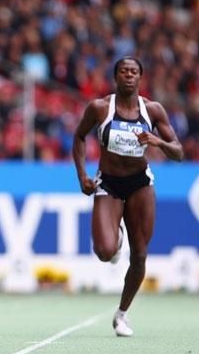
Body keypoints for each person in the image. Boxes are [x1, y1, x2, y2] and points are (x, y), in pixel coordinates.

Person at [73, 56, 183, 337]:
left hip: (139, 184)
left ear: (140, 77)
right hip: (108, 182)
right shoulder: (100, 108)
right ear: (116, 77)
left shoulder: (152, 111)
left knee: (141, 253)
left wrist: (156, 141)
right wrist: (82, 175)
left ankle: (122, 314)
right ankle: (116, 235)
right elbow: (79, 137)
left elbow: (178, 152)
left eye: (134, 72)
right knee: (105, 251)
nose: (129, 76)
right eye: (124, 71)